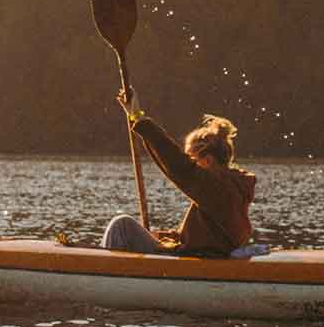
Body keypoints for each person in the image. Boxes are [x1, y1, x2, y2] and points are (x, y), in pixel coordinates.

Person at [102, 94, 258, 257]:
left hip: (200, 259)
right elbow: (200, 236)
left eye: (191, 158)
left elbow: (177, 164)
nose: (189, 162)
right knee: (127, 229)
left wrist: (139, 119)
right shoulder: (230, 185)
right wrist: (159, 235)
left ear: (208, 160)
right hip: (199, 253)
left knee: (121, 226)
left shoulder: (217, 188)